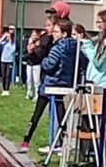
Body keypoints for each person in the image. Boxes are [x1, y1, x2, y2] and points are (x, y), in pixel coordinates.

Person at [19, 19, 86, 153]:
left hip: (51, 83)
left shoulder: (58, 47)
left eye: (56, 32)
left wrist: (43, 61)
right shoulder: (76, 47)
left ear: (64, 34)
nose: (53, 34)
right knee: (61, 115)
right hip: (65, 84)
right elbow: (83, 63)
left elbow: (49, 66)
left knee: (37, 114)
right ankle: (63, 144)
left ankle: (26, 141)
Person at [0, 26, 17, 96]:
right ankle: (4, 89)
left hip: (9, 61)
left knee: (8, 75)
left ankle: (7, 89)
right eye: (7, 37)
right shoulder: (3, 42)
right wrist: (3, 37)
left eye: (9, 36)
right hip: (3, 60)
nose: (7, 37)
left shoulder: (12, 43)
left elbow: (13, 50)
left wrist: (10, 41)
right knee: (3, 75)